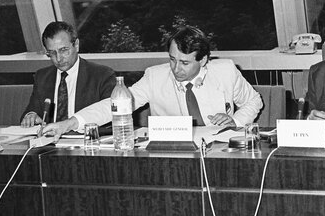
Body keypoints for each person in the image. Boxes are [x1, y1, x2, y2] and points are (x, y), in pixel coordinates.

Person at [40, 25, 262, 137]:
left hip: (219, 151)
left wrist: (236, 121)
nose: (175, 69)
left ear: (203, 60)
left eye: (185, 63)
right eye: (172, 59)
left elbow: (254, 101)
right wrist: (69, 123)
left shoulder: (225, 71)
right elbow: (117, 105)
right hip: (171, 155)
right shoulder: (155, 76)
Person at [21, 21, 115, 127]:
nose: (59, 58)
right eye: (52, 53)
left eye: (64, 50)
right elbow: (32, 111)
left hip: (85, 140)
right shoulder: (42, 77)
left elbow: (112, 119)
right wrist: (31, 116)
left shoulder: (102, 75)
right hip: (50, 141)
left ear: (76, 45)